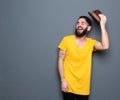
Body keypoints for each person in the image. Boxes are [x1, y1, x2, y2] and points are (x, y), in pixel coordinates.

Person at [58, 14, 109, 100]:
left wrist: (102, 25)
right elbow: (60, 60)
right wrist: (63, 80)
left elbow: (105, 46)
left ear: (88, 28)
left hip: (83, 87)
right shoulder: (66, 40)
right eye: (78, 23)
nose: (79, 25)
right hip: (68, 85)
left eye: (83, 23)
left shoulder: (91, 43)